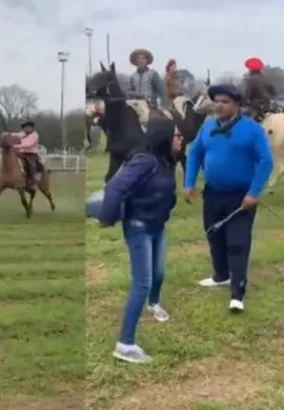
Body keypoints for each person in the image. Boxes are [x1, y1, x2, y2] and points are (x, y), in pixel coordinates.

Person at [184, 83, 273, 313]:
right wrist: (189, 183)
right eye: (217, 101)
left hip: (241, 198)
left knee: (237, 243)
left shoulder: (251, 129)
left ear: (236, 105)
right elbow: (194, 154)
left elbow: (266, 161)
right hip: (213, 194)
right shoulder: (207, 127)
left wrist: (254, 193)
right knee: (214, 235)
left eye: (225, 102)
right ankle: (221, 275)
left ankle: (237, 293)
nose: (219, 106)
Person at [97, 118, 181, 364]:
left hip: (158, 226)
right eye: (176, 135)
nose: (181, 138)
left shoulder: (167, 161)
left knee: (159, 273)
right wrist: (106, 217)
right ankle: (125, 345)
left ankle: (154, 304)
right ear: (165, 137)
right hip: (139, 228)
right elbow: (115, 188)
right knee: (141, 283)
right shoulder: (145, 161)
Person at [7, 120, 42, 187]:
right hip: (22, 153)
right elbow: (16, 135)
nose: (26, 129)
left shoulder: (35, 135)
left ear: (32, 128)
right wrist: (8, 134)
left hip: (31, 154)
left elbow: (29, 145)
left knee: (31, 165)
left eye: (28, 127)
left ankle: (32, 181)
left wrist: (15, 146)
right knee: (10, 159)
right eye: (25, 127)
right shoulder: (22, 133)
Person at [243, 57, 276, 123]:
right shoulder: (267, 79)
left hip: (256, 107)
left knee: (241, 120)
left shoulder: (251, 80)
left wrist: (243, 103)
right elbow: (274, 92)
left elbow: (247, 95)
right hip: (270, 106)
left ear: (250, 70)